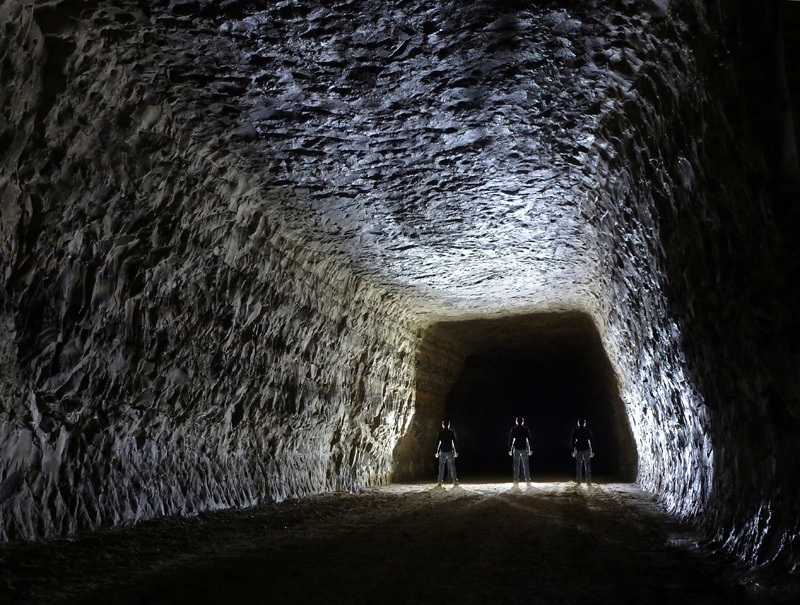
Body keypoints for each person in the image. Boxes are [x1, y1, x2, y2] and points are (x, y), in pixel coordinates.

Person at [508, 416, 532, 484]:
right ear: (523, 422)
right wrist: (531, 449)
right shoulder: (526, 429)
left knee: (516, 464)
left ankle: (516, 480)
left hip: (516, 448)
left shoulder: (514, 429)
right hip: (524, 448)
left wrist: (510, 449)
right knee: (526, 464)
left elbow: (511, 440)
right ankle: (527, 479)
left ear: (516, 422)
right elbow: (529, 439)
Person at [435, 420, 458, 485]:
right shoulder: (451, 433)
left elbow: (438, 443)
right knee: (452, 466)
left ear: (442, 425)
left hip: (442, 451)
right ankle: (455, 481)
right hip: (450, 451)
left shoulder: (440, 433)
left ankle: (439, 481)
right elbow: (454, 443)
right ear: (449, 425)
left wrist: (436, 452)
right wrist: (456, 451)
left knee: (441, 466)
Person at [572, 418, 594, 485]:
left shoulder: (576, 431)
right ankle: (589, 482)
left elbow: (573, 441)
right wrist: (592, 451)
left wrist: (573, 450)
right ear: (584, 423)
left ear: (578, 423)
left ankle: (579, 481)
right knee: (587, 466)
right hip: (586, 449)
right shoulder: (587, 431)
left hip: (578, 449)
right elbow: (591, 441)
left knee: (579, 466)